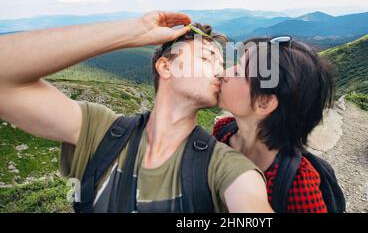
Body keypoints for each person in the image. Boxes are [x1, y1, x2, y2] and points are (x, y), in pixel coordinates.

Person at [0, 11, 272, 213]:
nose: (219, 70)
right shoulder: (101, 131)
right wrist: (134, 32)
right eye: (205, 57)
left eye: (221, 62)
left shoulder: (224, 166)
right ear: (166, 67)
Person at [213, 36, 345, 213]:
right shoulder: (223, 130)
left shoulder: (298, 186)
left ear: (264, 103)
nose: (224, 73)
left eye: (238, 73)